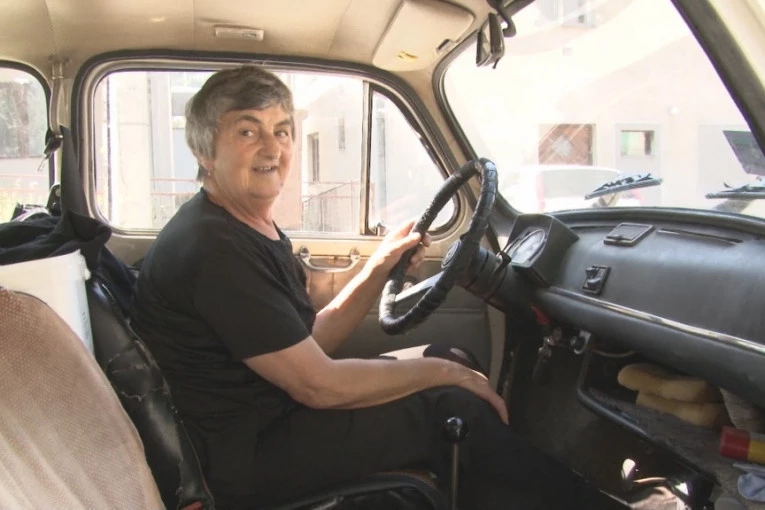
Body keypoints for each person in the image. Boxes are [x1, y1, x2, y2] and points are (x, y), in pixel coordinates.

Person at [131, 65, 613, 510]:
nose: (272, 148)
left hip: (269, 415)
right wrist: (447, 376)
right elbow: (317, 384)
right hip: (245, 458)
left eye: (282, 130)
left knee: (449, 356)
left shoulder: (245, 226)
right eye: (247, 131)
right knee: (451, 403)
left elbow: (309, 342)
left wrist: (379, 267)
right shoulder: (215, 249)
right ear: (204, 151)